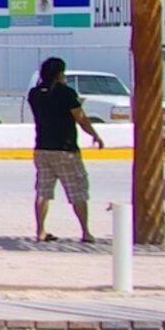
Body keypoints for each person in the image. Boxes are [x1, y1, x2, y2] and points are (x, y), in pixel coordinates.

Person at [26, 56, 101, 243]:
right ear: (60, 74)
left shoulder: (34, 94)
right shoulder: (66, 93)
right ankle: (85, 232)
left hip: (42, 147)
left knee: (43, 191)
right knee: (77, 191)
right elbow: (81, 119)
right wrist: (95, 135)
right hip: (65, 149)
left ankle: (40, 230)